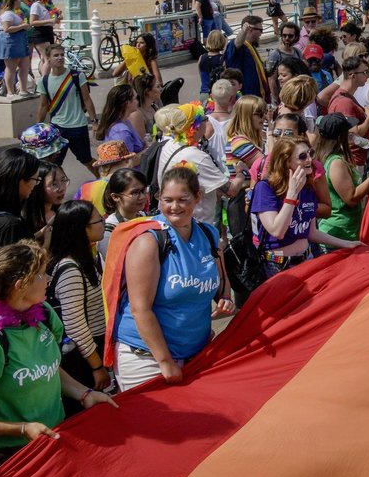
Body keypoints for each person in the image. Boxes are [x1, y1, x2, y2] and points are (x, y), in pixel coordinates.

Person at [0, 240, 116, 477]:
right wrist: (22, 429)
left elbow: (49, 369)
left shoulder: (43, 314)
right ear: (21, 285)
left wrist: (84, 394)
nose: (49, 278)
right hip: (4, 461)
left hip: (49, 442)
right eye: (42, 274)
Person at [112, 165, 233, 390]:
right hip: (147, 360)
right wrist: (165, 362)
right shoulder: (149, 241)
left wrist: (225, 298)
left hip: (195, 356)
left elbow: (221, 284)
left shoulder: (209, 234)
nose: (174, 207)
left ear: (197, 197)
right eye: (167, 200)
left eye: (182, 199)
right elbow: (140, 309)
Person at [252, 135, 359, 276]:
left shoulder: (307, 187)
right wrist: (291, 194)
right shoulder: (265, 188)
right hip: (277, 266)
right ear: (286, 162)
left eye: (310, 153)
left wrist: (347, 244)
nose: (309, 159)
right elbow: (277, 230)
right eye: (302, 156)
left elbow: (311, 232)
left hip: (306, 260)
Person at [44, 200, 110, 408]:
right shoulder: (71, 270)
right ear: (81, 229)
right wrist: (97, 366)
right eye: (98, 220)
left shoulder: (90, 257)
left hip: (93, 350)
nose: (103, 223)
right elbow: (75, 327)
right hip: (81, 359)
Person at [34, 44, 97, 174]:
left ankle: (104, 181)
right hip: (57, 128)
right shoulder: (44, 81)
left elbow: (87, 100)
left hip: (78, 126)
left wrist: (94, 121)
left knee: (86, 160)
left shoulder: (76, 76)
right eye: (56, 55)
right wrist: (37, 127)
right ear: (49, 59)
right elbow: (43, 105)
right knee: (54, 164)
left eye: (62, 55)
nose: (60, 58)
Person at [316, 114, 369, 244]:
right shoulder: (336, 163)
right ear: (341, 137)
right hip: (340, 235)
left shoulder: (323, 156)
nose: (352, 134)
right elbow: (350, 198)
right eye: (348, 131)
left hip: (340, 232)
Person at [0, 150, 39, 258]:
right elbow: (22, 268)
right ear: (19, 180)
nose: (35, 184)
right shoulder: (11, 225)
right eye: (35, 179)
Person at [97, 167, 148, 259]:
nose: (142, 197)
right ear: (115, 197)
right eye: (135, 193)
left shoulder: (146, 217)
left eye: (143, 190)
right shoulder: (109, 232)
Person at [223, 16, 270, 100]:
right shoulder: (240, 46)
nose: (261, 33)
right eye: (260, 30)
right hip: (246, 96)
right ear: (250, 29)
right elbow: (236, 43)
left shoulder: (251, 47)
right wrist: (243, 30)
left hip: (258, 95)